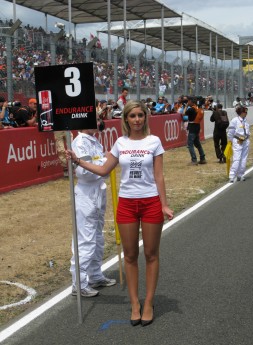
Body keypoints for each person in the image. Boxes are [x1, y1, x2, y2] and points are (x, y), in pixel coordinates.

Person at [66, 100, 174, 326]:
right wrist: (77, 161)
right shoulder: (120, 143)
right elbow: (104, 169)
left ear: (145, 117)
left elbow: (159, 176)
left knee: (151, 255)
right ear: (126, 119)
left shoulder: (154, 141)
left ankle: (148, 303)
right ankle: (135, 303)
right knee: (130, 255)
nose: (137, 120)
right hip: (126, 204)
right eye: (132, 116)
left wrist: (164, 204)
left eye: (140, 115)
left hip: (151, 202)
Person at [70, 121, 116, 297]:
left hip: (98, 190)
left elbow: (102, 167)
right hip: (86, 192)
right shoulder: (80, 142)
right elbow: (85, 172)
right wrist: (105, 162)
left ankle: (95, 275)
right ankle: (79, 284)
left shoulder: (94, 140)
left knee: (97, 236)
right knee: (86, 238)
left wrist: (103, 163)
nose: (98, 122)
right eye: (94, 118)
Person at [227, 105, 250, 183]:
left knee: (244, 159)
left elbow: (247, 130)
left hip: (246, 141)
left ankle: (240, 174)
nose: (246, 113)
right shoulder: (235, 120)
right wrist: (231, 141)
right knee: (237, 159)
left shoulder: (245, 120)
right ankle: (232, 175)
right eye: (245, 112)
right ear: (241, 112)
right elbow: (230, 132)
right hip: (237, 141)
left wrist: (247, 136)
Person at [185, 97, 207, 165]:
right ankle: (202, 158)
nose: (188, 102)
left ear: (191, 102)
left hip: (192, 127)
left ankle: (194, 160)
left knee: (190, 144)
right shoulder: (199, 109)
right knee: (197, 143)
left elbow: (184, 113)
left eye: (188, 101)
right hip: (197, 126)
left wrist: (186, 106)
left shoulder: (191, 109)